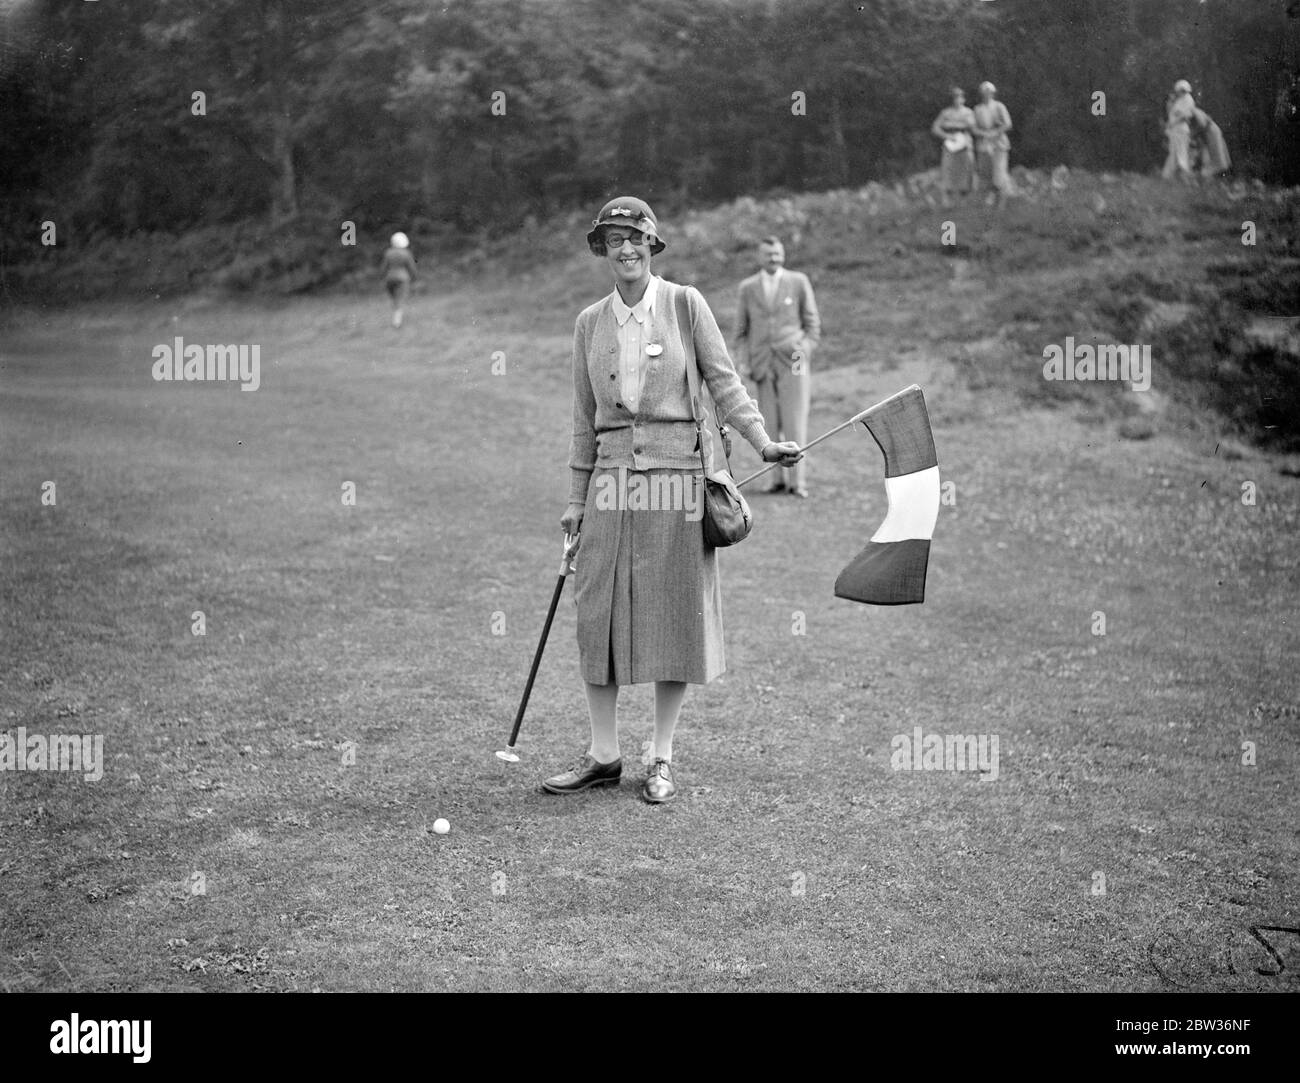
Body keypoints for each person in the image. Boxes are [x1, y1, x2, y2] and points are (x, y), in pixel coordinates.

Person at [545, 197, 802, 804]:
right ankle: (604, 754)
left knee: (673, 613)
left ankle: (660, 756)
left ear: (651, 246)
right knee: (597, 611)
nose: (625, 250)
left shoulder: (686, 305)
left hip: (678, 480)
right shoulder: (589, 323)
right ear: (603, 251)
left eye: (635, 239)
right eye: (614, 241)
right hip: (610, 482)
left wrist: (762, 442)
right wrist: (576, 500)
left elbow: (724, 382)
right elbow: (584, 422)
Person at [733, 236, 821, 497]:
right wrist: (743, 361)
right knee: (768, 423)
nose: (774, 258)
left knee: (795, 420)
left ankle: (798, 482)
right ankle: (776, 480)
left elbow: (812, 324)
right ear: (760, 257)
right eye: (769, 254)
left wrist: (802, 349)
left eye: (777, 254)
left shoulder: (798, 281)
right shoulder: (748, 288)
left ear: (783, 255)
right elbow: (740, 331)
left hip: (792, 361)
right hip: (762, 362)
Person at [931, 87, 976, 207]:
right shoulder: (946, 113)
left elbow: (972, 126)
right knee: (948, 170)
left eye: (960, 97)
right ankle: (948, 199)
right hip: (950, 144)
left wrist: (956, 124)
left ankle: (964, 200)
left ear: (964, 99)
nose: (958, 100)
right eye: (955, 97)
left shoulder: (968, 112)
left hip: (965, 143)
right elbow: (935, 128)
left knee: (966, 169)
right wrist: (946, 135)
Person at [972, 81, 1013, 206]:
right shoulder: (977, 109)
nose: (987, 95)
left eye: (989, 92)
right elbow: (973, 127)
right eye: (985, 92)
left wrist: (995, 132)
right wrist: (983, 134)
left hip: (998, 143)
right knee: (985, 171)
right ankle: (989, 199)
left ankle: (1003, 198)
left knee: (999, 170)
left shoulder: (999, 106)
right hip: (984, 143)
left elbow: (1008, 124)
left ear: (993, 93)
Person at [1162, 80, 1198, 184]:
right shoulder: (1181, 100)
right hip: (1175, 130)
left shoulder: (1188, 100)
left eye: (1179, 90)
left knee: (1181, 153)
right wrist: (1170, 124)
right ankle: (1167, 176)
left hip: (1180, 129)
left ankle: (1184, 176)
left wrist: (1173, 123)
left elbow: (1185, 116)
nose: (1178, 92)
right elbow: (1173, 113)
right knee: (1174, 152)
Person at [381, 231, 417, 327]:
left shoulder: (388, 253)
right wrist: (414, 277)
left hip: (389, 278)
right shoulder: (406, 253)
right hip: (402, 278)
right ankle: (397, 322)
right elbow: (411, 267)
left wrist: (383, 277)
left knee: (394, 299)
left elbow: (384, 267)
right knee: (400, 300)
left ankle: (396, 316)